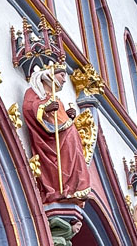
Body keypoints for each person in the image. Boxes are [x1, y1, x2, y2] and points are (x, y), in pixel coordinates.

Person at [22, 61, 91, 203]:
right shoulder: (35, 93)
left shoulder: (56, 98)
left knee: (73, 157)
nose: (65, 80)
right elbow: (29, 108)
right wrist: (44, 109)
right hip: (51, 140)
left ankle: (72, 186)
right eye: (61, 75)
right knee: (65, 156)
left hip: (65, 136)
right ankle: (62, 187)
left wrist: (68, 115)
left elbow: (58, 120)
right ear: (50, 75)